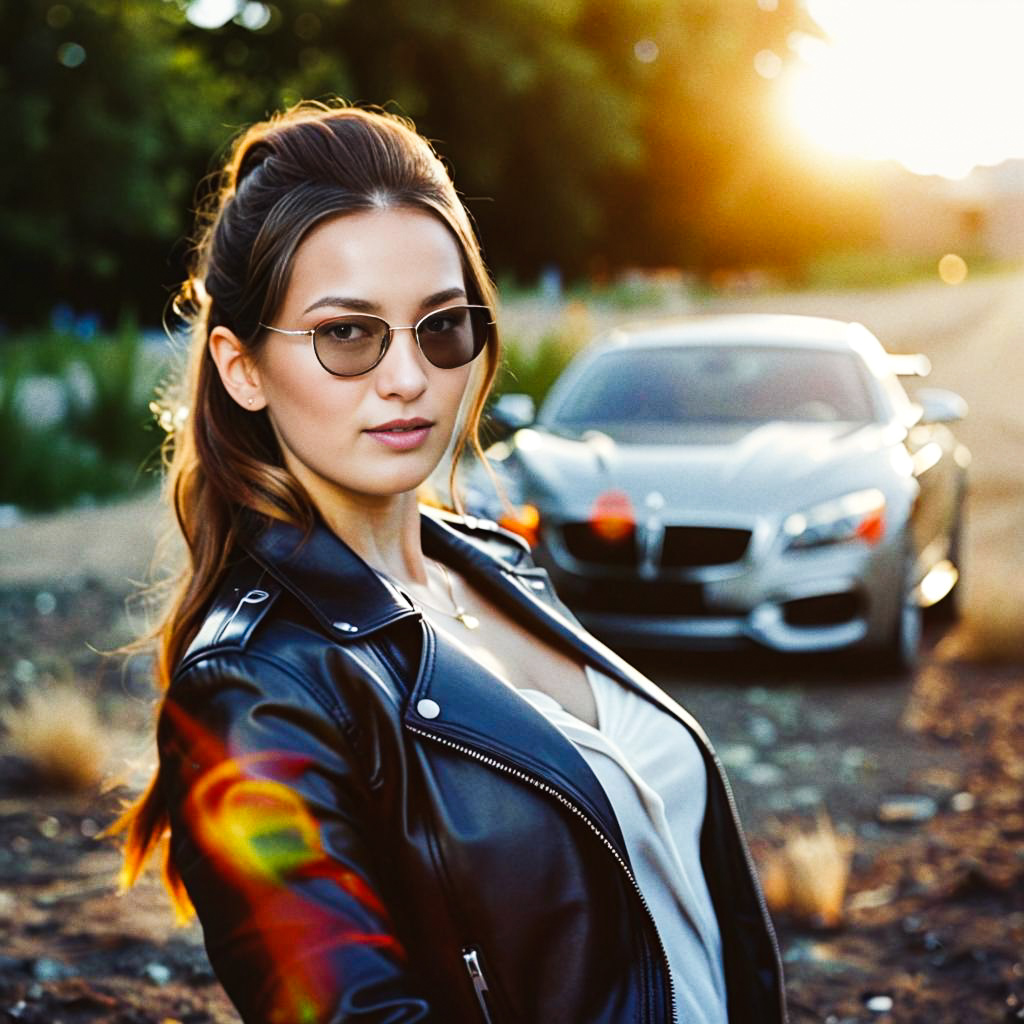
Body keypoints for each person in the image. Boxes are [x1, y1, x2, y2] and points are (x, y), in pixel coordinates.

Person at [113, 100, 786, 1023]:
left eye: (441, 326)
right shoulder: (252, 690)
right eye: (347, 333)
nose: (407, 377)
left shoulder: (496, 564)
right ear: (242, 368)